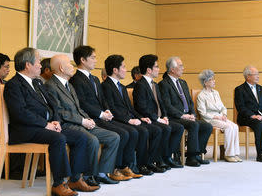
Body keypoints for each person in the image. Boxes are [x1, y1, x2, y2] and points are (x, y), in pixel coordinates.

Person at [4, 47, 98, 196]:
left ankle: (75, 179)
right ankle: (59, 183)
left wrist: (55, 121)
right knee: (58, 138)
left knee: (81, 137)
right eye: (38, 62)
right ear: (28, 64)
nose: (41, 66)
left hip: (45, 126)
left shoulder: (38, 83)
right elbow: (20, 113)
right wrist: (45, 124)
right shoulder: (13, 85)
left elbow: (53, 105)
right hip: (26, 129)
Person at [69, 46, 147, 179]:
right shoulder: (76, 79)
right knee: (123, 133)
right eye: (93, 57)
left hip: (103, 116)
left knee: (130, 131)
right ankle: (111, 169)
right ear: (82, 60)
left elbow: (102, 99)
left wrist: (107, 110)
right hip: (92, 118)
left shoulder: (94, 79)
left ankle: (122, 167)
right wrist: (100, 114)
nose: (95, 60)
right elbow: (82, 103)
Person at [44, 54, 122, 186]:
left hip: (80, 122)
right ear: (62, 68)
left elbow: (78, 108)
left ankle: (101, 173)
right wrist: (81, 121)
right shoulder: (51, 85)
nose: (72, 66)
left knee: (113, 137)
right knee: (92, 140)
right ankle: (87, 176)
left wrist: (88, 119)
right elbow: (59, 111)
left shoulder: (68, 84)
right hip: (67, 125)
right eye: (69, 63)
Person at [102, 55, 169, 174]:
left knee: (149, 129)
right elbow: (112, 109)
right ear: (115, 70)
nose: (125, 69)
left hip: (130, 118)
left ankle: (144, 163)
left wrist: (140, 117)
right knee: (141, 131)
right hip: (118, 120)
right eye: (123, 66)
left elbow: (130, 108)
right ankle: (135, 165)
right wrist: (129, 120)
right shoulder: (106, 86)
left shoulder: (121, 87)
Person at [133, 54, 184, 170]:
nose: (159, 69)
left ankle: (166, 157)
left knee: (179, 127)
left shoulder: (155, 84)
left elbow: (162, 104)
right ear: (149, 70)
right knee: (163, 129)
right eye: (156, 67)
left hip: (159, 118)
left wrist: (165, 116)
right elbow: (142, 108)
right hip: (148, 119)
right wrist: (157, 118)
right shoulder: (140, 85)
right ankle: (153, 160)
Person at [159, 56, 213, 167]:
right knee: (193, 125)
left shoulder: (183, 82)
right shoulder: (164, 84)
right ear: (172, 69)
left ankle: (198, 153)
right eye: (180, 66)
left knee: (207, 126)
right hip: (174, 117)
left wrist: (192, 114)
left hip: (187, 116)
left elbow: (190, 102)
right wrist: (183, 116)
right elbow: (167, 106)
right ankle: (191, 157)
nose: (183, 68)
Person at [196, 69, 241, 162]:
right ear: (205, 82)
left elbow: (223, 107)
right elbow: (203, 113)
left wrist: (224, 114)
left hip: (220, 117)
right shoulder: (201, 95)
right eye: (211, 79)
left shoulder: (216, 93)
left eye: (213, 79)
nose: (214, 81)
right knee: (229, 127)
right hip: (210, 119)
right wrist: (216, 117)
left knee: (235, 126)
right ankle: (228, 155)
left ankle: (235, 153)